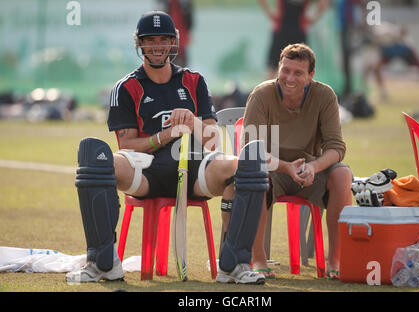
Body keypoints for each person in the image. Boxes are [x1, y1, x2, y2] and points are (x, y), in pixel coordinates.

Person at [66, 11, 269, 285]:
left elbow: (212, 141)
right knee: (94, 158)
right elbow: (126, 144)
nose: (158, 46)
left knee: (248, 163)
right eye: (151, 40)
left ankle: (234, 263)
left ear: (174, 42)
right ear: (140, 44)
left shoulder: (194, 81)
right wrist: (165, 136)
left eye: (164, 39)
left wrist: (192, 121)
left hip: (196, 169)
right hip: (146, 171)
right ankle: (103, 261)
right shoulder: (126, 87)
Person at [242, 43, 353, 279]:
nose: (289, 78)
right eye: (285, 70)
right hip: (272, 171)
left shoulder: (325, 95)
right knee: (255, 173)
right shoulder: (261, 95)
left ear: (311, 75)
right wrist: (285, 167)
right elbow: (251, 151)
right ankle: (259, 260)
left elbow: (336, 147)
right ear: (278, 69)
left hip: (309, 171)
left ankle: (336, 259)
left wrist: (313, 166)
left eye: (298, 73)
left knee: (343, 174)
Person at [363, 22, 419, 100]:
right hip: (388, 52)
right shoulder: (369, 40)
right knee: (375, 68)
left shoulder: (382, 30)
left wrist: (394, 39)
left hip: (404, 50)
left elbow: (402, 31)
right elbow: (372, 58)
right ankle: (382, 93)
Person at [258, 0, 329, 79]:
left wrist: (269, 13)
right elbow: (323, 3)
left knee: (272, 68)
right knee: (303, 68)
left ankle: (268, 91)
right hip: (297, 30)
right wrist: (315, 17)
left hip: (283, 29)